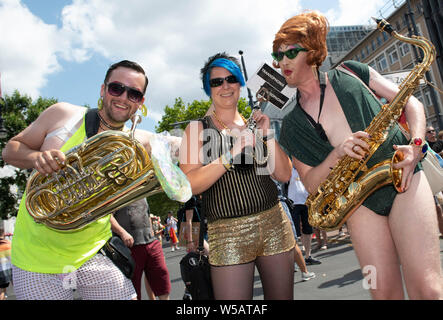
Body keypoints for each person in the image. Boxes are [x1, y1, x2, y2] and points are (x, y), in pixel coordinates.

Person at [275, 11, 442, 299]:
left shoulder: (353, 71)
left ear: (313, 52)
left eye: (291, 52)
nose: (282, 62)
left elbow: (411, 103)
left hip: (403, 175)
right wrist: (337, 154)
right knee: (383, 294)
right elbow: (312, 183)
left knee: (428, 289)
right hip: (359, 203)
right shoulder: (290, 124)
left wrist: (415, 147)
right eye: (277, 55)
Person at [1, 60, 160, 300]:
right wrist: (36, 158)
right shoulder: (63, 114)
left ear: (141, 102)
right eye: (117, 88)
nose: (124, 98)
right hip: (37, 258)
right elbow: (10, 150)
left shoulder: (137, 142)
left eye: (134, 93)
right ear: (103, 89)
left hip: (93, 252)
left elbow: (190, 146)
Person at [179, 52, 295, 300]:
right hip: (228, 232)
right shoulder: (196, 129)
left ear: (241, 82)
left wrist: (267, 136)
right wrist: (232, 153)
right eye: (216, 81)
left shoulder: (256, 123)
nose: (225, 86)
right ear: (207, 89)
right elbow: (188, 185)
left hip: (274, 223)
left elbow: (284, 174)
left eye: (231, 79)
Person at [110, 198, 171, 300]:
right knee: (133, 290)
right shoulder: (117, 192)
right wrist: (122, 233)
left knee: (162, 278)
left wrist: (152, 235)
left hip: (151, 243)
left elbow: (147, 214)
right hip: (130, 248)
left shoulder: (142, 192)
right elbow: (107, 217)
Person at [287, 167, 324, 262]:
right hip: (293, 204)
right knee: (294, 232)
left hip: (307, 202)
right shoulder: (289, 170)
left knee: (308, 231)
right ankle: (295, 260)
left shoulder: (307, 169)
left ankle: (308, 256)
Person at [0, 227, 12, 300]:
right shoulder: (8, 243)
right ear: (3, 234)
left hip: (2, 271)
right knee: (2, 292)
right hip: (7, 271)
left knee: (2, 292)